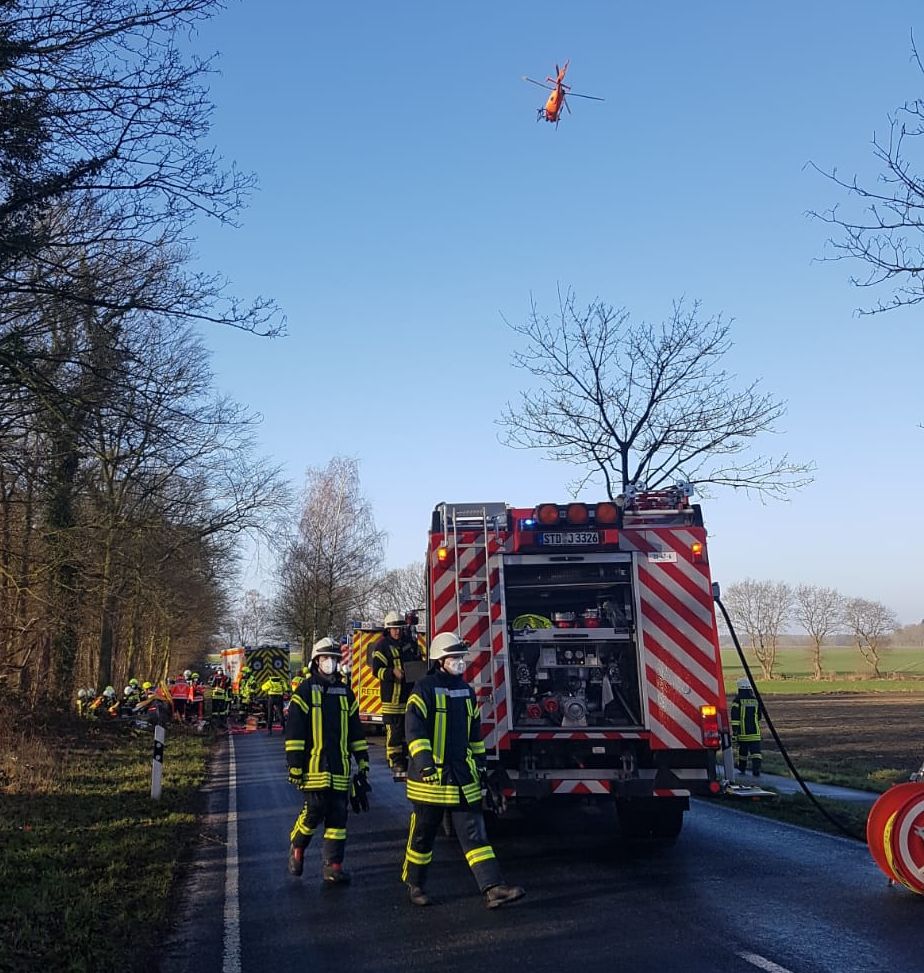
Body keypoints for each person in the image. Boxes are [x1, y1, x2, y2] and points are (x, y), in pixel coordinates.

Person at [402, 631, 525, 910]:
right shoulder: (423, 689)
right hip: (430, 780)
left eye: (461, 658)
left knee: (475, 835)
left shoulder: (467, 691)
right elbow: (414, 731)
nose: (460, 662)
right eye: (454, 658)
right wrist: (425, 764)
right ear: (440, 660)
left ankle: (494, 888)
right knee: (423, 834)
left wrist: (482, 768)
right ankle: (415, 884)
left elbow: (474, 735)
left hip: (460, 777)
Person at [285, 637, 369, 884]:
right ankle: (298, 847)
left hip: (340, 768)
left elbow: (355, 732)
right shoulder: (305, 692)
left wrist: (363, 763)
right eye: (325, 659)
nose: (330, 663)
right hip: (313, 768)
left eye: (334, 658)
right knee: (313, 812)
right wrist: (295, 765)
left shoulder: (345, 692)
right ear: (315, 662)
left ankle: (333, 866)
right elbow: (294, 733)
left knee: (338, 818)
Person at [372, 610, 422, 780]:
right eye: (394, 628)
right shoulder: (382, 646)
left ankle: (409, 759)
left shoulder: (410, 643)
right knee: (394, 731)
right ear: (388, 629)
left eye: (399, 628)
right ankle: (395, 760)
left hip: (409, 696)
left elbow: (418, 662)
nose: (397, 631)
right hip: (391, 699)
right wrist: (392, 672)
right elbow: (376, 671)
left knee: (410, 729)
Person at [730, 677, 763, 777]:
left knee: (743, 752)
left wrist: (735, 732)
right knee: (756, 752)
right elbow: (759, 716)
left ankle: (742, 767)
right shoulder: (755, 700)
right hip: (755, 732)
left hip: (743, 733)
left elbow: (735, 718)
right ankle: (756, 769)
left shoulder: (737, 701)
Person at [264, 670, 288, 734]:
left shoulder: (269, 682)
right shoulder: (281, 681)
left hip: (271, 698)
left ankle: (269, 730)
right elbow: (286, 688)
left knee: (270, 714)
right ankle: (284, 728)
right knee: (280, 713)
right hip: (279, 698)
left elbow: (263, 688)